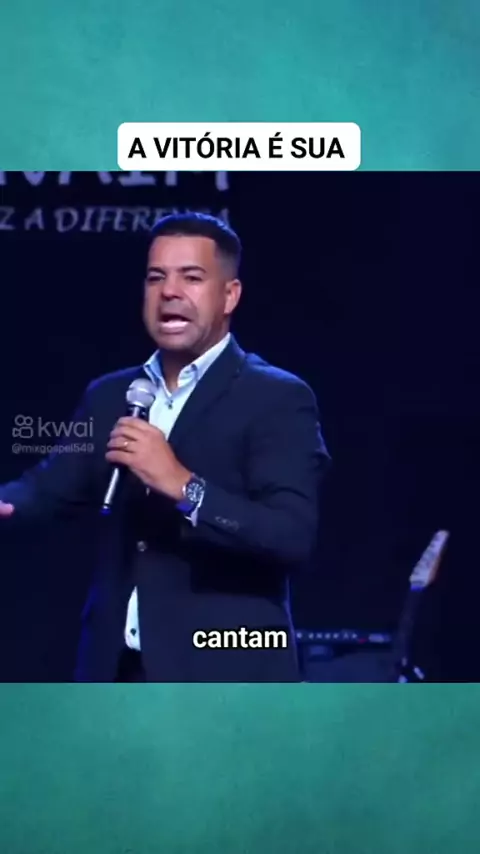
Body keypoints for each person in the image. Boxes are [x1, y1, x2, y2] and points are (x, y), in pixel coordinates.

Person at [0, 213, 330, 682]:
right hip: (116, 673)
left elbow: (290, 536)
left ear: (230, 295)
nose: (169, 291)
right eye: (156, 277)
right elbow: (47, 488)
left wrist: (183, 485)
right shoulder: (112, 395)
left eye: (191, 277)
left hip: (225, 676)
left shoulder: (276, 397)